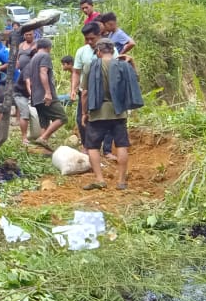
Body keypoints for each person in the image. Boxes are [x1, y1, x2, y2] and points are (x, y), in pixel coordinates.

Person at [81, 39, 143, 190]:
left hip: (97, 112)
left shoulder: (91, 66)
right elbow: (135, 81)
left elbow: (85, 93)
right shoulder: (123, 66)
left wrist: (84, 112)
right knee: (121, 145)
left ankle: (100, 179)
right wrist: (132, 62)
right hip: (118, 112)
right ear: (113, 51)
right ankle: (121, 181)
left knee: (93, 146)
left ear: (99, 52)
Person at [71, 22, 119, 157]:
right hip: (85, 91)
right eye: (86, 39)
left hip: (106, 92)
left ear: (100, 35)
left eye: (92, 38)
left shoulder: (112, 51)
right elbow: (76, 72)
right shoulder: (82, 51)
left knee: (109, 119)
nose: (89, 41)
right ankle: (87, 146)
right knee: (82, 119)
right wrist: (73, 88)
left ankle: (107, 150)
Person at [24, 38, 66, 150]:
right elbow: (43, 73)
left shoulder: (33, 58)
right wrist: (48, 93)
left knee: (44, 121)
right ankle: (43, 138)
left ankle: (41, 148)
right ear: (48, 47)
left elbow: (31, 79)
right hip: (44, 95)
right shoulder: (45, 56)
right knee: (62, 117)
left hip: (36, 96)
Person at [12, 46, 36, 146]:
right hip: (20, 93)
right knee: (25, 113)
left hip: (28, 94)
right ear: (32, 58)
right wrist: (32, 96)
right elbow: (28, 83)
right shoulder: (28, 67)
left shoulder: (39, 67)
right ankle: (24, 137)